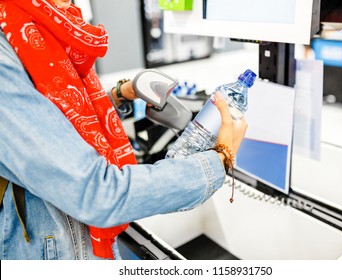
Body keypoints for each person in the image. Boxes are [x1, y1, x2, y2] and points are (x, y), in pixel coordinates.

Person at [0, 0, 247, 260]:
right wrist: (219, 159)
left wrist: (119, 95)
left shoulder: (38, 25)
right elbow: (98, 193)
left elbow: (56, 119)